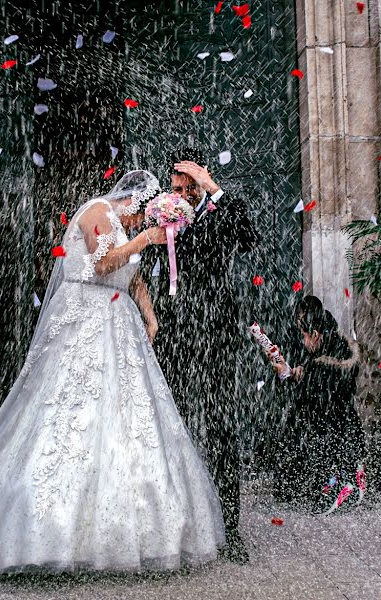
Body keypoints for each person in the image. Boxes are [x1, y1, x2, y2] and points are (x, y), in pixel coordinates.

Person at [0, 170, 224, 573]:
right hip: (85, 315)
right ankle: (38, 533)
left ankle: (132, 531)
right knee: (67, 408)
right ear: (135, 203)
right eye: (141, 219)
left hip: (117, 317)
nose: (141, 226)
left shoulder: (130, 227)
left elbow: (134, 274)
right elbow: (104, 263)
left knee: (129, 414)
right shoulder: (98, 212)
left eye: (144, 224)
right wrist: (144, 239)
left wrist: (149, 313)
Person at [146, 148, 256, 556]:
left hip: (217, 333)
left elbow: (248, 237)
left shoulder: (221, 209)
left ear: (198, 184)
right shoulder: (163, 212)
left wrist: (215, 190)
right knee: (168, 421)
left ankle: (230, 528)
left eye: (184, 187)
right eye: (173, 187)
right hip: (175, 332)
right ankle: (172, 523)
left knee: (221, 425)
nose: (177, 194)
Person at [271, 295, 365, 508]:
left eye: (304, 334)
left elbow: (315, 395)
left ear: (314, 334)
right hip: (345, 431)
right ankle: (347, 476)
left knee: (299, 429)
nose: (302, 340)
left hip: (328, 432)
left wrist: (293, 376)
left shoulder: (326, 360)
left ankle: (333, 484)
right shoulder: (332, 343)